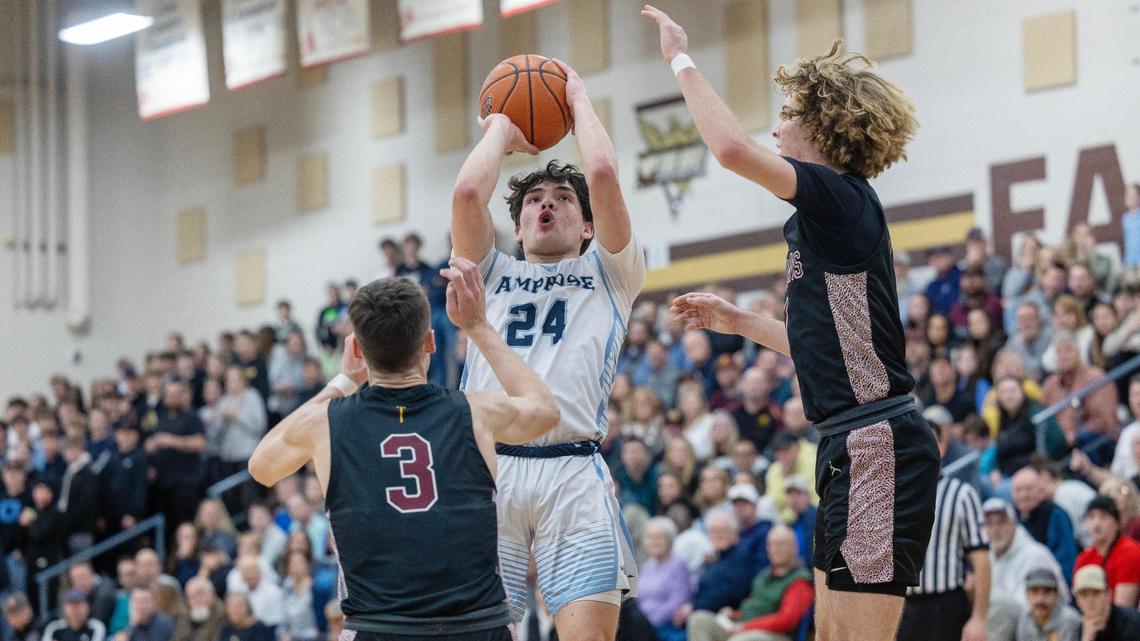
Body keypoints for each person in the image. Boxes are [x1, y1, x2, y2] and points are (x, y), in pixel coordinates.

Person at [643, 7, 938, 641]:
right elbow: (821, 347)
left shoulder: (840, 197)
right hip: (844, 442)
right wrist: (736, 319)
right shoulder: (818, 219)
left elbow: (728, 149)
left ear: (825, 129)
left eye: (787, 115)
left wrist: (679, 58)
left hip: (878, 441)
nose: (775, 128)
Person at [247, 267, 562, 640]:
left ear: (358, 349)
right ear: (430, 342)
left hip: (378, 628)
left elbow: (261, 466)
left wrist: (343, 381)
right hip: (477, 626)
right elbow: (546, 411)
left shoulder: (325, 424)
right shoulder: (477, 411)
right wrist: (477, 326)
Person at [451, 52, 644, 638]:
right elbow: (465, 193)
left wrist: (578, 99)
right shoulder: (493, 273)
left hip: (572, 473)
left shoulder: (610, 274)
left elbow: (604, 174)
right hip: (488, 471)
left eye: (562, 197)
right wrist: (503, 129)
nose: (547, 204)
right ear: (517, 225)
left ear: (586, 225)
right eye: (535, 199)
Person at [898, 422, 989, 641]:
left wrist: (979, 617)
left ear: (942, 447)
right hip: (903, 605)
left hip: (946, 605)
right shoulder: (895, 496)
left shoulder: (962, 494)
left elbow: (982, 561)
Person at [686, 526, 813, 641]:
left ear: (795, 546)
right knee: (699, 619)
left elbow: (787, 620)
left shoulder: (800, 580)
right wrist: (734, 614)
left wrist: (745, 627)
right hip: (744, 628)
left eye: (781, 544)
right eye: (772, 545)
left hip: (776, 635)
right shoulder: (763, 576)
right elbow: (754, 607)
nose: (776, 549)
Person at [982, 498, 1069, 609]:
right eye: (989, 523)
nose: (995, 529)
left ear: (1014, 524)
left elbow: (1030, 607)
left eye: (1001, 522)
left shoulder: (1034, 555)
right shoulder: (988, 556)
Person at [1011, 467, 1078, 584]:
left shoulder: (1056, 515)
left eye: (1028, 489)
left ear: (1040, 491)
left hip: (1049, 585)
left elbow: (1067, 561)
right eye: (1018, 490)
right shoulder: (1011, 519)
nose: (1023, 495)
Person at [1072, 496, 1140, 608]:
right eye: (1091, 517)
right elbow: (1079, 599)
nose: (1096, 523)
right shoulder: (1084, 558)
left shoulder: (1129, 552)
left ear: (1117, 523)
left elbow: (1124, 608)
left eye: (1103, 517)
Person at [638, 517, 692, 641]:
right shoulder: (645, 567)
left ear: (670, 540)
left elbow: (678, 601)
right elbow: (638, 600)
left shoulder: (678, 564)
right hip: (642, 625)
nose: (654, 541)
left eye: (659, 537)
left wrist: (649, 620)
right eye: (650, 537)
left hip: (665, 627)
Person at [1072, 565, 1140, 641]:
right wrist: (1087, 638)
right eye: (1084, 595)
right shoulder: (1083, 627)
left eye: (1096, 593)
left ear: (1108, 594)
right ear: (1077, 600)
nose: (1090, 600)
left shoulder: (1131, 624)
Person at [1016, 568, 1080, 641]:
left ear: (1057, 595)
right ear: (1027, 595)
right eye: (1034, 592)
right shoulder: (1025, 618)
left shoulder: (1068, 620)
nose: (1040, 599)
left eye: (1047, 592)